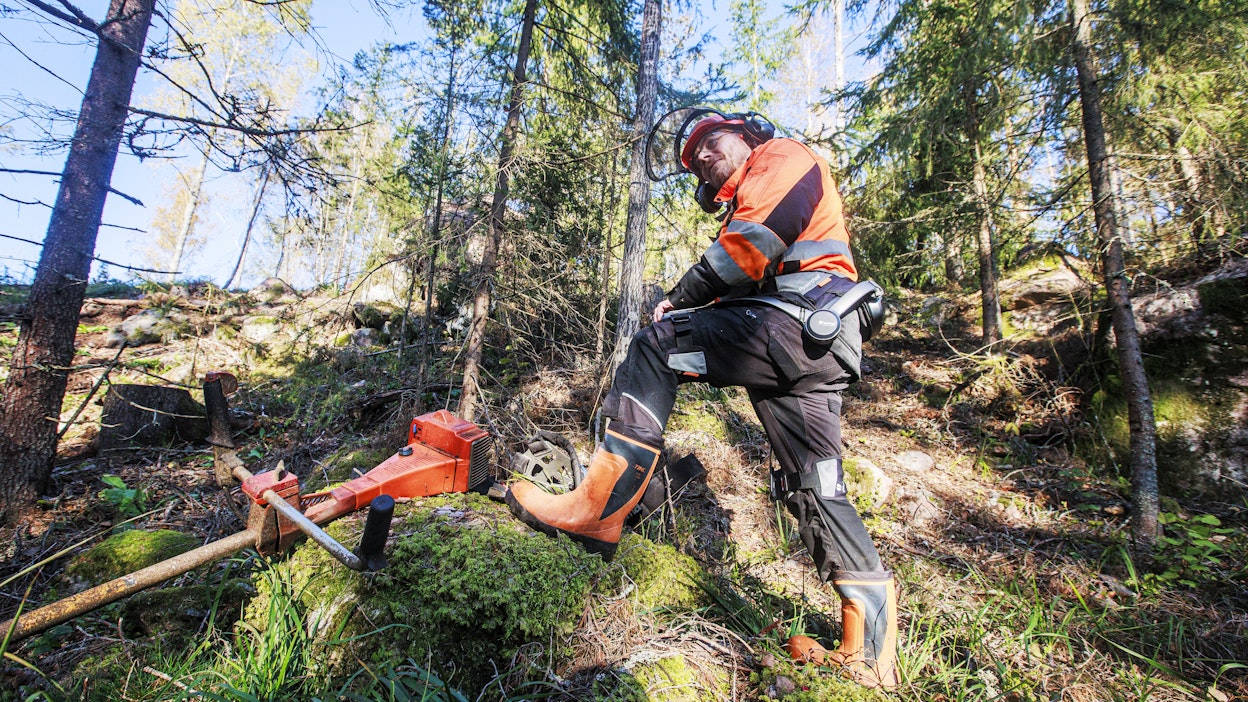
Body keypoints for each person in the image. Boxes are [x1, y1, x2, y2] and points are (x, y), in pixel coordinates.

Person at [505, 109, 898, 689]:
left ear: (746, 134)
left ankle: (595, 512)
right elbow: (745, 280)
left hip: (803, 321)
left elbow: (752, 248)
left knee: (660, 345)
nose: (703, 160)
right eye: (694, 161)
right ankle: (869, 651)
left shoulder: (784, 157)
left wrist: (676, 299)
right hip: (812, 342)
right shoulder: (751, 193)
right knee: (815, 484)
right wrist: (700, 305)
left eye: (709, 144)